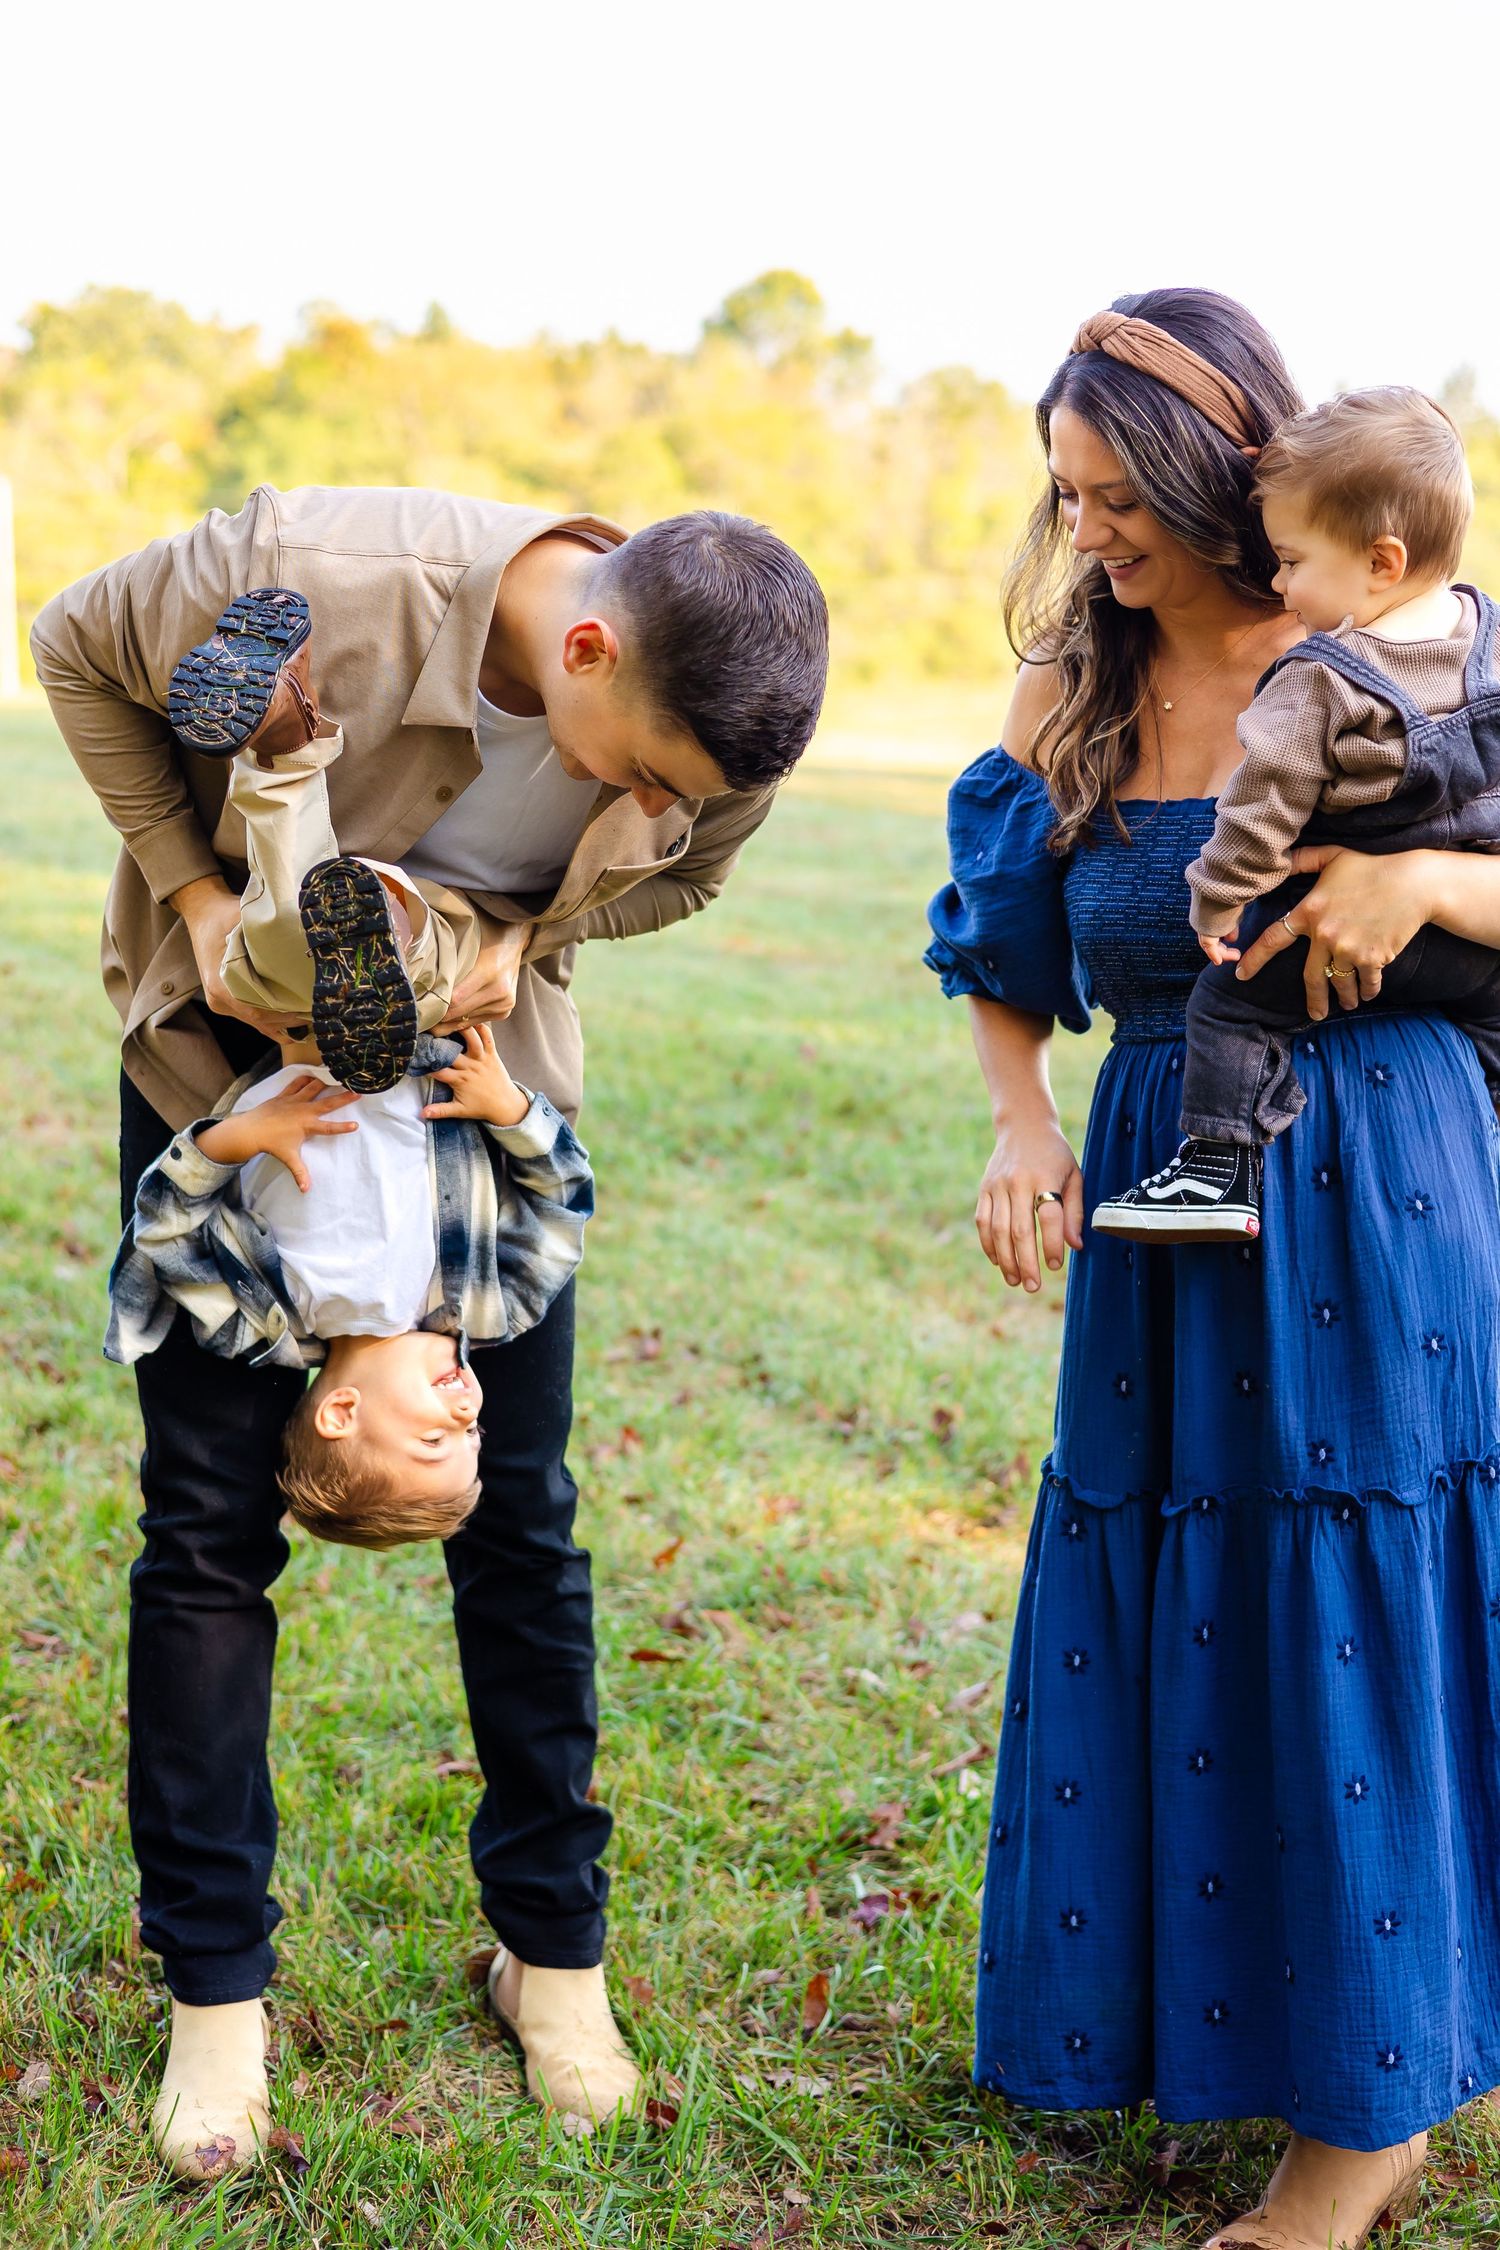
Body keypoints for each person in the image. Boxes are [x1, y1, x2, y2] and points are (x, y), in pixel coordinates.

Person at [31, 488, 828, 2177]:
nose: (658, 809)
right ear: (585, 649)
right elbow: (71, 646)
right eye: (643, 773)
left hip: (474, 1119)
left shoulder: (728, 736)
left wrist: (513, 947)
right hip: (237, 1094)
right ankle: (217, 2008)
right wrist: (182, 896)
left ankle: (553, 1966)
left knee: (521, 1535)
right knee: (203, 1540)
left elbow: (679, 883)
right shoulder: (322, 566)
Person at [925, 290, 1500, 2249]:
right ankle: (1219, 2025)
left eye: (1117, 497)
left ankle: (1363, 2132)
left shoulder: (1377, 650)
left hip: (1389, 1182)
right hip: (1175, 1206)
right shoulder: (1063, 706)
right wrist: (1022, 1119)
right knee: (1188, 1596)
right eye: (1065, 496)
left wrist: (1423, 881)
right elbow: (1004, 966)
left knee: (1350, 1592)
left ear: (1216, 475)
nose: (1088, 531)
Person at [1093, 387, 1500, 1243]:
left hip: (1335, 937)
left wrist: (1218, 896)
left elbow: (1261, 802)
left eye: (1291, 560)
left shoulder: (1325, 674)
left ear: (1381, 562)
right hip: (1469, 953)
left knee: (1232, 1003)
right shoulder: (1490, 643)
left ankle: (1215, 1168)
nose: (1279, 582)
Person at [107, 1019, 593, 1554]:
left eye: (435, 1441)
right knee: (407, 945)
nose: (467, 1416)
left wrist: (237, 1137)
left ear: (341, 1412)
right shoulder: (495, 1306)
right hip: (428, 1028)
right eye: (472, 1438)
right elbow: (562, 1207)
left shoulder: (261, 1325)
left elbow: (165, 1232)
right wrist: (511, 1112)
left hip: (291, 1031)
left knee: (287, 951)